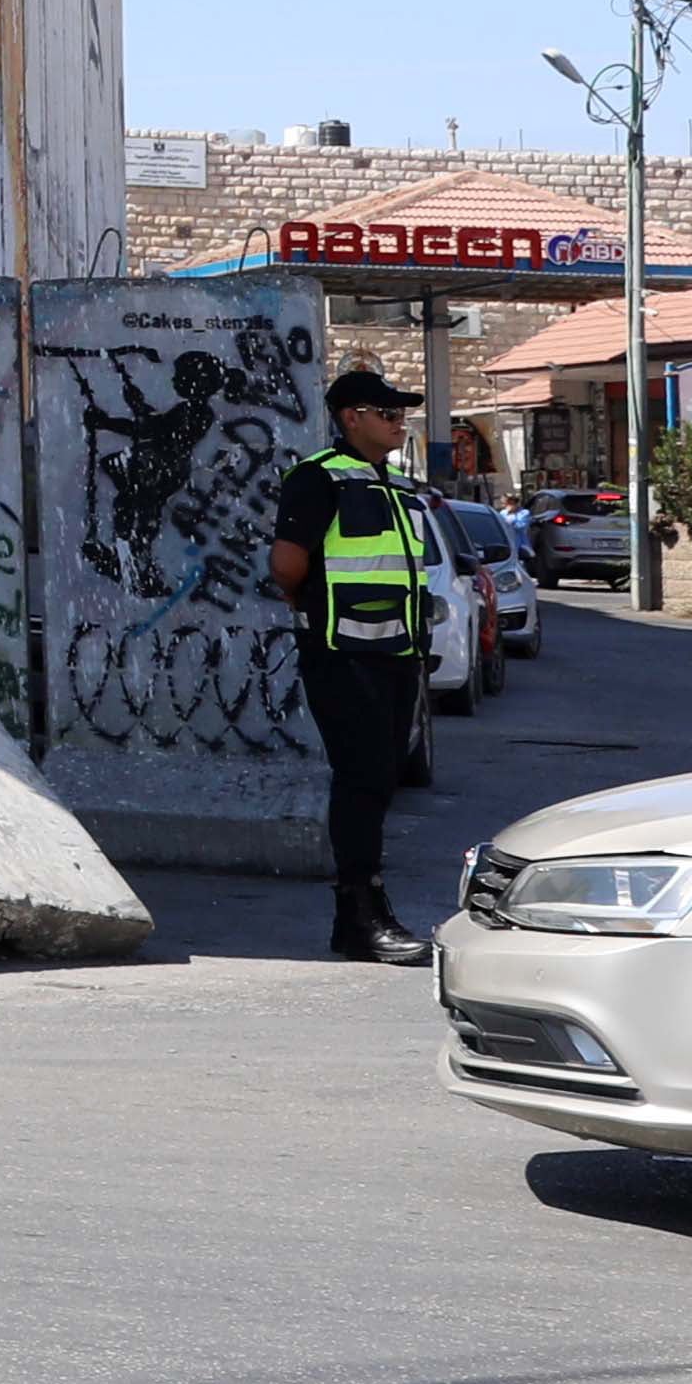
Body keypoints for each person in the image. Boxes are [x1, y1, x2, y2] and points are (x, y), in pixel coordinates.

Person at [274, 365, 438, 962]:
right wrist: (312, 607)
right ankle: (361, 914)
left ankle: (362, 916)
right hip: (343, 653)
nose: (399, 423)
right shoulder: (321, 479)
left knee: (383, 779)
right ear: (351, 418)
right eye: (387, 413)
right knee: (362, 780)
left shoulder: (396, 487)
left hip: (397, 654)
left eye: (402, 415)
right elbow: (287, 564)